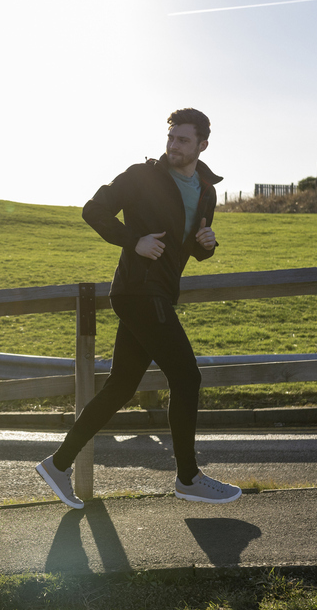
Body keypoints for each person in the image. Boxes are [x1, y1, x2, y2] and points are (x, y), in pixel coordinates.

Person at [35, 108, 242, 508]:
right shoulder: (140, 176)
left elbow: (195, 253)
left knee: (121, 385)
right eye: (171, 137)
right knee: (187, 378)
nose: (173, 146)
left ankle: (58, 464)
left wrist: (207, 244)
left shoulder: (205, 189)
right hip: (137, 291)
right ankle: (187, 478)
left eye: (183, 140)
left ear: (202, 145)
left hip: (159, 293)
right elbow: (92, 210)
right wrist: (135, 241)